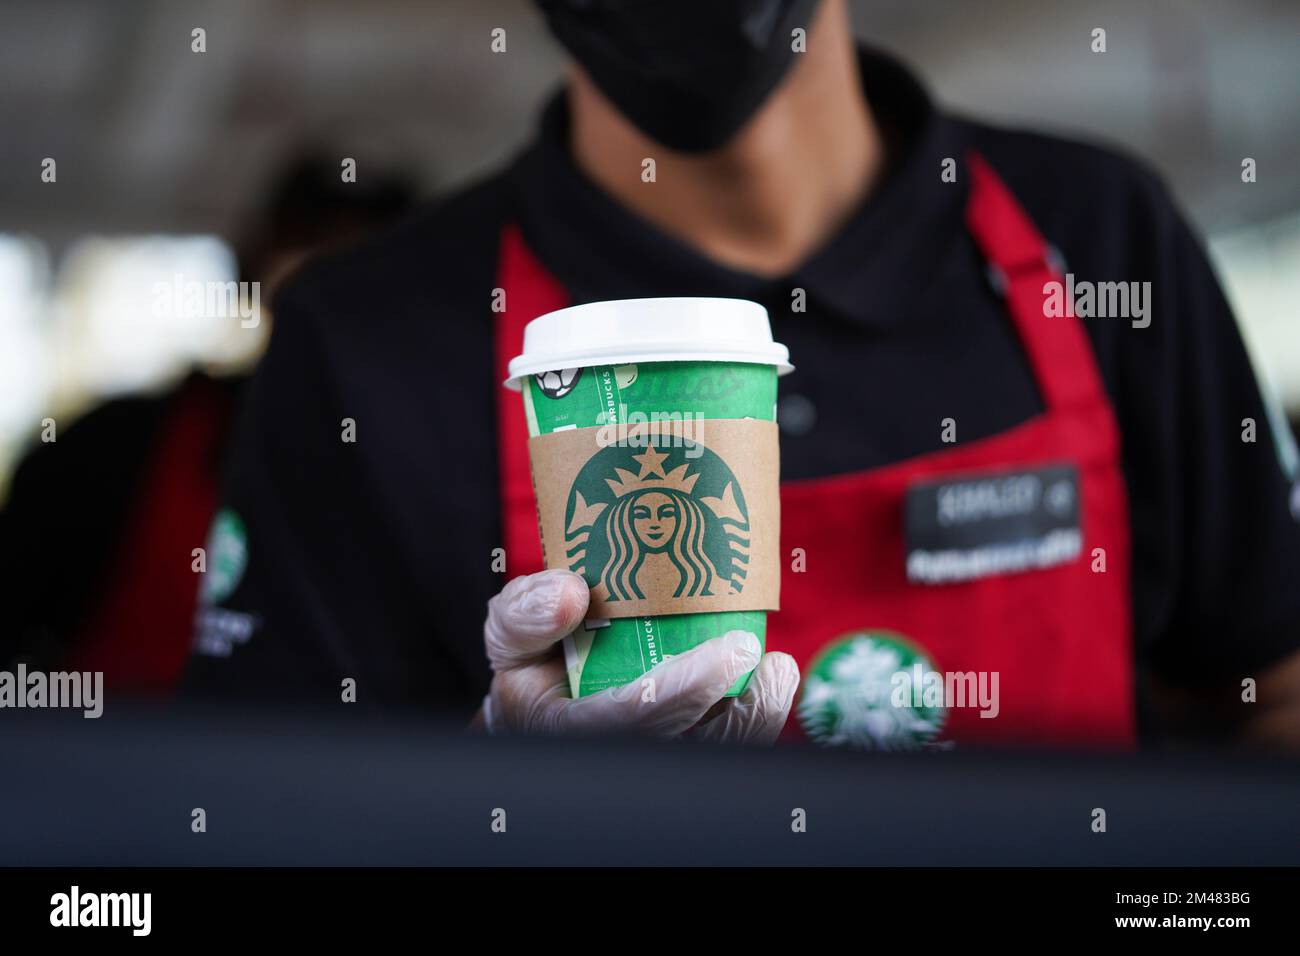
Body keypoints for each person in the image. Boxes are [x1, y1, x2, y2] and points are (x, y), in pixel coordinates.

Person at [182, 0, 1300, 749]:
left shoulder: (1099, 242)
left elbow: (1270, 686)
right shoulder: (366, 337)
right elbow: (253, 813)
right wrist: (499, 801)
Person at [0, 154, 415, 691]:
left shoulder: (440, 469)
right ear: (254, 267)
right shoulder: (114, 447)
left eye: (361, 261)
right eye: (309, 250)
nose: (327, 295)